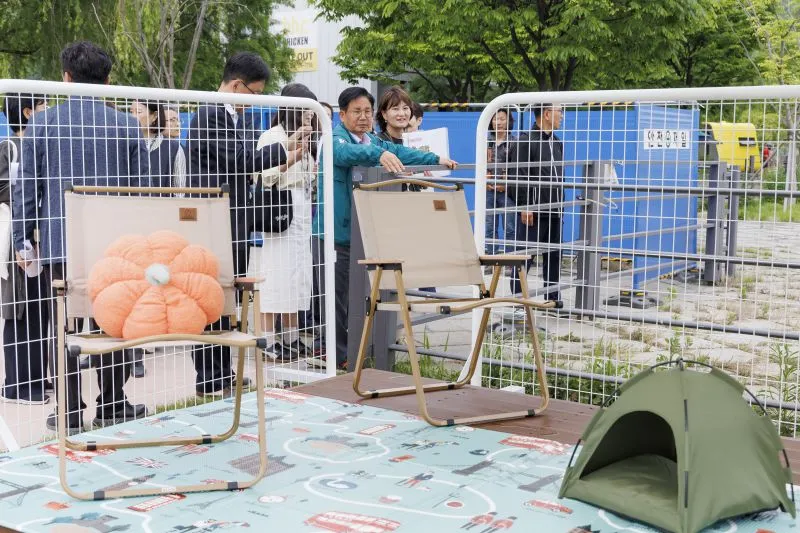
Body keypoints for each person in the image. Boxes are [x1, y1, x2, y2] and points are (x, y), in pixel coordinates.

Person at [12, 41, 150, 433]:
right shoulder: (127, 125)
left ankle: (70, 408)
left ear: (66, 78)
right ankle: (113, 403)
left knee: (65, 325)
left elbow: (27, 189)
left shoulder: (42, 123)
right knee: (115, 324)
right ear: (108, 80)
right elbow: (143, 191)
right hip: (118, 246)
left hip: (60, 241)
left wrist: (23, 239)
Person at [311, 86, 457, 368]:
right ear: (342, 114)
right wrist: (376, 155)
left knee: (358, 297)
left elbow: (400, 151)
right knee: (335, 298)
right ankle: (338, 356)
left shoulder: (369, 141)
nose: (363, 117)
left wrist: (435, 159)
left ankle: (354, 353)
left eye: (367, 111)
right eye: (357, 111)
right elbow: (345, 155)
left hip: (359, 233)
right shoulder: (335, 139)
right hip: (332, 234)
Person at [186, 51, 304, 397]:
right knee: (209, 297)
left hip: (237, 216)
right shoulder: (209, 112)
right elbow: (239, 159)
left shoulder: (241, 117)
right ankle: (208, 376)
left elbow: (247, 160)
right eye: (254, 93)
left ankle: (226, 372)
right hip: (209, 217)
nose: (254, 103)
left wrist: (285, 152)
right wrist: (284, 151)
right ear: (237, 85)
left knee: (230, 297)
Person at [255, 83, 317, 362]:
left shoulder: (306, 137)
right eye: (306, 111)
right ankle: (267, 339)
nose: (309, 117)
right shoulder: (272, 136)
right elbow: (265, 177)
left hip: (302, 209)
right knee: (276, 272)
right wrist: (293, 157)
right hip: (280, 208)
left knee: (298, 272)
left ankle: (291, 338)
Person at [127, 99, 188, 377]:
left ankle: (143, 346)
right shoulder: (125, 145)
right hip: (130, 228)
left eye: (137, 112)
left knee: (152, 290)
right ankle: (132, 352)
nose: (131, 116)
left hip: (159, 230)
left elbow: (180, 192)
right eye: (130, 111)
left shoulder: (173, 148)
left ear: (153, 118)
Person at [0, 93, 50, 404]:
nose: (48, 113)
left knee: (39, 308)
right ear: (29, 112)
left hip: (39, 235)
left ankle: (34, 377)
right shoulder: (9, 147)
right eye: (44, 107)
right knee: (18, 308)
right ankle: (17, 383)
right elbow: (4, 189)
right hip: (17, 237)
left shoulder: (38, 145)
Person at [506, 103, 564, 301]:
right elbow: (518, 177)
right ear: (547, 114)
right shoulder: (526, 141)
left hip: (554, 208)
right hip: (533, 210)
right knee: (525, 255)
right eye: (559, 111)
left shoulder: (556, 141)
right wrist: (525, 207)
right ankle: (517, 299)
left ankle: (553, 298)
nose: (562, 116)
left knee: (554, 255)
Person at [485, 109, 517, 256]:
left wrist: (506, 184)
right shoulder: (485, 140)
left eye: (502, 119)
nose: (498, 122)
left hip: (507, 192)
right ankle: (491, 258)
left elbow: (517, 168)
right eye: (495, 119)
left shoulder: (515, 142)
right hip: (488, 189)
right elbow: (481, 164)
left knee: (509, 227)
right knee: (489, 226)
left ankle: (510, 260)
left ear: (509, 121)